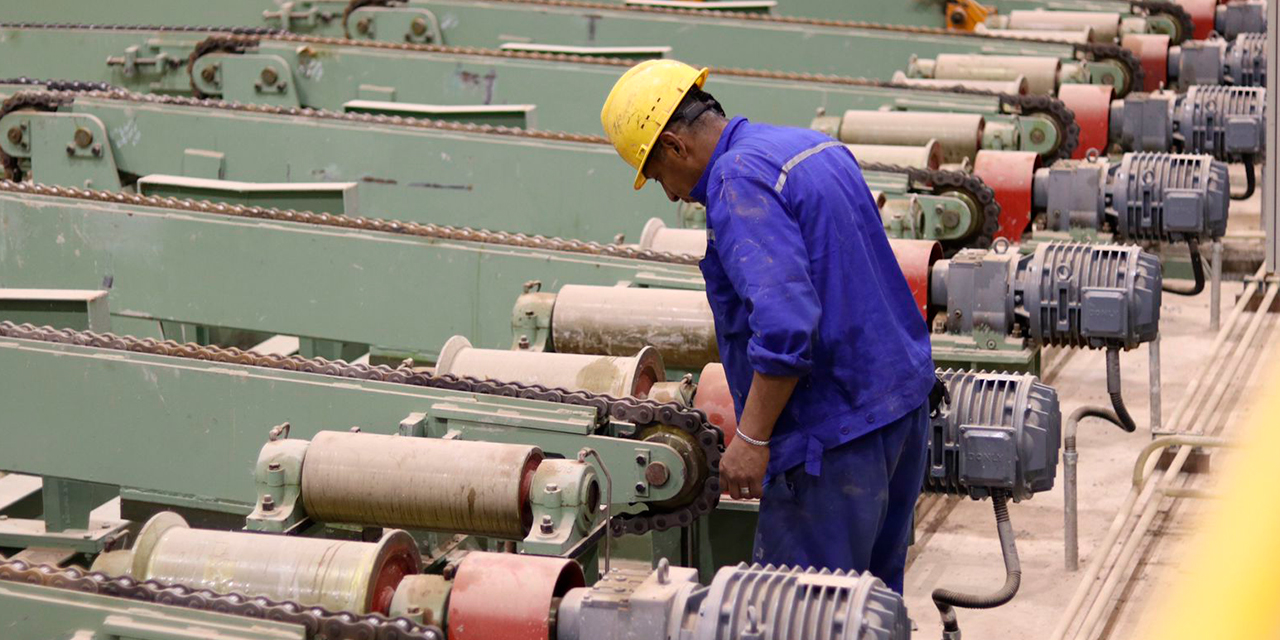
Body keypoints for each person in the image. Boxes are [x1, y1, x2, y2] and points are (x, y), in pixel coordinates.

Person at [599, 60, 938, 593]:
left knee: (801, 612)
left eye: (658, 175)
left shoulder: (737, 181)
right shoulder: (810, 146)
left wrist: (752, 438)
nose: (670, 195)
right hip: (900, 410)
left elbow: (785, 326)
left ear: (675, 147)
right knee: (870, 606)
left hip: (834, 437)